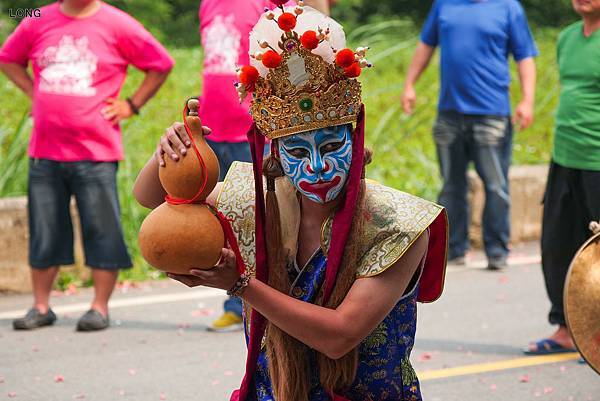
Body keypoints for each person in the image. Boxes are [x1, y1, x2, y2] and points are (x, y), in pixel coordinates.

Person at [134, 4, 448, 400]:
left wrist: (241, 286)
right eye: (298, 153)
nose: (317, 168)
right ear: (276, 158)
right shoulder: (256, 200)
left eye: (332, 145)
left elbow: (339, 336)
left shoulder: (397, 223)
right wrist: (171, 149)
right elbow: (154, 199)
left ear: (357, 145)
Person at [0, 0, 174, 331]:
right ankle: (41, 306)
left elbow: (161, 63)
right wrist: (34, 92)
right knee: (45, 229)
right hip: (45, 150)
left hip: (96, 151)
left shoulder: (118, 23)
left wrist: (131, 105)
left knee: (101, 227)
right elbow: (8, 58)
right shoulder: (38, 18)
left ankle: (99, 307)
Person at [197, 0, 333, 332]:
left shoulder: (277, 6)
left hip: (259, 130)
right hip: (214, 129)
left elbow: (308, 55)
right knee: (224, 218)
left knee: (263, 217)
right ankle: (237, 299)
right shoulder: (208, 4)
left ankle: (267, 301)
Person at [401, 0, 538, 270]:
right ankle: (453, 250)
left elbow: (524, 56)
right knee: (451, 185)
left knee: (496, 186)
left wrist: (527, 100)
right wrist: (409, 84)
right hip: (450, 114)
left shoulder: (508, 7)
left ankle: (497, 250)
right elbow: (426, 45)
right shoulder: (444, 5)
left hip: (492, 114)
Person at [525, 0, 600, 355]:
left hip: (597, 159)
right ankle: (567, 328)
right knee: (557, 244)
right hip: (565, 155)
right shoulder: (568, 37)